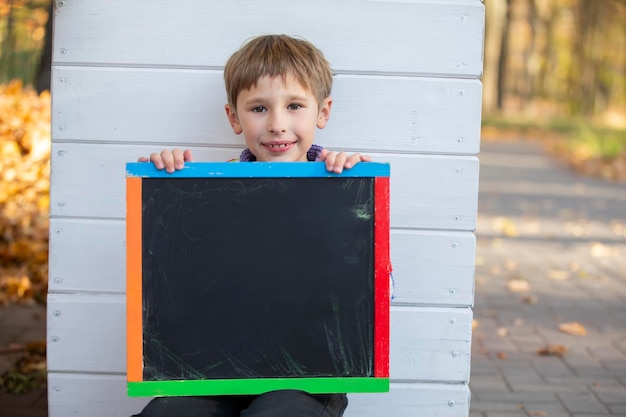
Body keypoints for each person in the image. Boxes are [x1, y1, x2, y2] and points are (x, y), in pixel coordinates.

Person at [132, 34, 370, 417]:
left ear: (322, 113)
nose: (278, 125)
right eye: (259, 108)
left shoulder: (346, 187)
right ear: (233, 117)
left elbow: (367, 295)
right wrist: (164, 188)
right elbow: (173, 282)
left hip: (308, 375)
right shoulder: (200, 193)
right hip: (210, 368)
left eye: (294, 106)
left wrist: (359, 209)